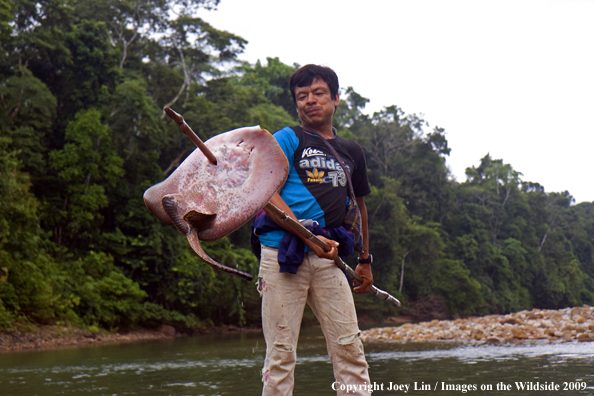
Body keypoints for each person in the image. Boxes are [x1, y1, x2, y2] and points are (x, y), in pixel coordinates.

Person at [253, 64, 374, 396]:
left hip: (328, 259)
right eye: (302, 96)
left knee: (349, 347)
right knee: (279, 355)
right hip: (281, 256)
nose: (310, 101)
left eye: (318, 93)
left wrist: (364, 260)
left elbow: (359, 208)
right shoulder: (287, 139)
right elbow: (266, 193)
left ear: (336, 98)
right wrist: (308, 235)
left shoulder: (351, 152)